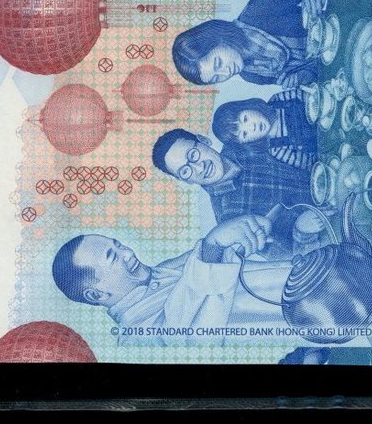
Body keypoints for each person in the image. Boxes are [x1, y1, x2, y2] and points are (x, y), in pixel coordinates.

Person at [52, 214, 296, 345]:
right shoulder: (135, 339)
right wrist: (213, 244)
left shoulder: (164, 270)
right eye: (113, 257)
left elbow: (220, 254)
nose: (128, 253)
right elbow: (196, 339)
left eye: (119, 245)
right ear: (97, 294)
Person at [172, 0, 372, 88]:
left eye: (218, 63)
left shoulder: (256, 12)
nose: (225, 72)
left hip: (354, 27)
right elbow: (318, 74)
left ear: (218, 38)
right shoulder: (251, 75)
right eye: (217, 78)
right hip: (348, 67)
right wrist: (302, 77)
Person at [151, 128, 310, 228]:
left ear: (204, 140)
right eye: (185, 171)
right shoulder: (229, 219)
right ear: (185, 181)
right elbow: (290, 253)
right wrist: (303, 231)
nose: (199, 168)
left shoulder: (243, 137)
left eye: (193, 155)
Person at [211, 90, 319, 170]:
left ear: (248, 106)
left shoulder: (278, 100)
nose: (252, 127)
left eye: (245, 119)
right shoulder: (277, 150)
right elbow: (310, 162)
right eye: (244, 134)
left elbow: (310, 94)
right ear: (247, 143)